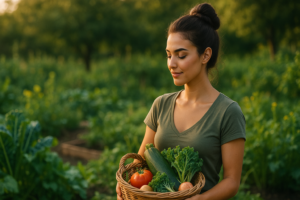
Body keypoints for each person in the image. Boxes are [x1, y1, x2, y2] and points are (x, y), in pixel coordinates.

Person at [116, 2, 246, 200]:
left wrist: (200, 199)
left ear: (206, 55)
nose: (171, 64)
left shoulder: (227, 112)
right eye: (168, 55)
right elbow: (141, 161)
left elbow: (231, 181)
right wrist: (126, 182)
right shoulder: (161, 104)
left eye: (181, 55)